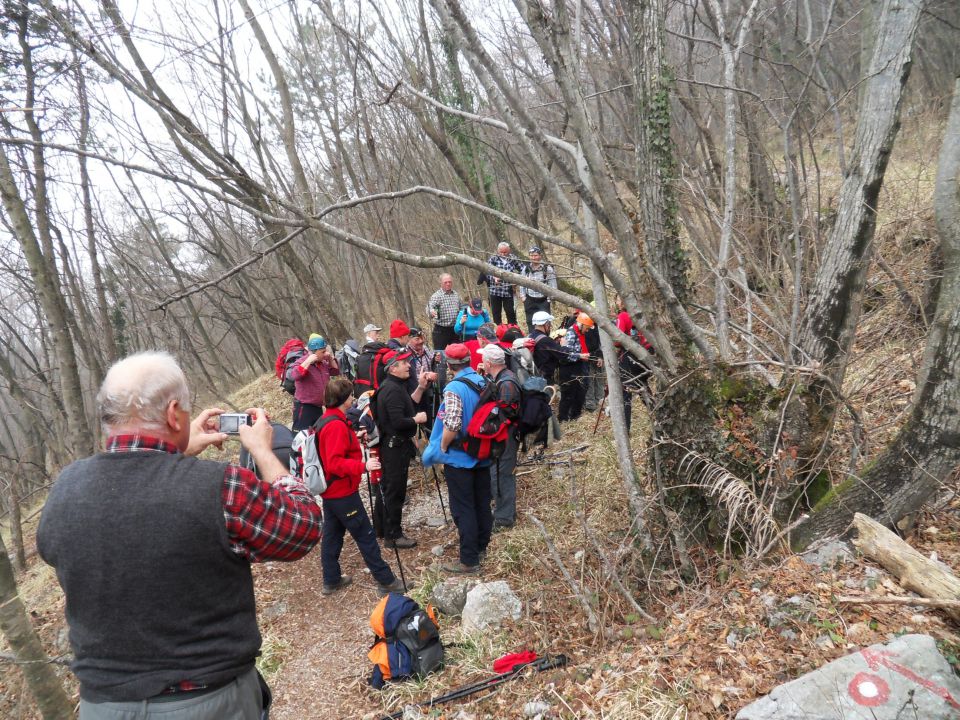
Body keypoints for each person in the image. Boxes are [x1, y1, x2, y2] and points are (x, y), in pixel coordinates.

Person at [37, 351, 322, 719]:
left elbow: (123, 512)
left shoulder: (65, 490)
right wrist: (263, 453)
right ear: (174, 414)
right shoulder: (219, 488)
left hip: (102, 705)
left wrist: (176, 452)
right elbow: (302, 527)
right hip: (207, 701)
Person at [316, 377, 405, 596]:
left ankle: (331, 579)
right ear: (343, 399)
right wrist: (363, 465)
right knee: (365, 534)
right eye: (351, 396)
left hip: (331, 491)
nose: (354, 399)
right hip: (342, 492)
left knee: (332, 534)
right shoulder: (335, 425)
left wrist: (353, 437)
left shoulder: (328, 420)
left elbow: (333, 450)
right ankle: (387, 581)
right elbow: (334, 463)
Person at [422, 343, 492, 574]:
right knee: (482, 502)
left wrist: (442, 446)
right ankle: (483, 547)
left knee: (464, 508)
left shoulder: (454, 388)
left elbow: (452, 423)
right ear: (469, 359)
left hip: (460, 457)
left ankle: (469, 560)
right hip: (482, 452)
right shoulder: (482, 381)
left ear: (449, 365)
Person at [375, 349, 430, 549]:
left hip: (395, 445)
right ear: (393, 368)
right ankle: (393, 536)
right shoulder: (391, 390)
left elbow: (406, 405)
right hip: (394, 447)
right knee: (394, 491)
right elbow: (398, 421)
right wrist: (416, 420)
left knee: (389, 487)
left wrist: (421, 388)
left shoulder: (396, 385)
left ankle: (381, 529)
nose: (409, 365)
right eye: (404, 363)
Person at [477, 344, 521, 530]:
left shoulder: (507, 383)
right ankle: (507, 511)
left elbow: (509, 413)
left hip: (506, 437)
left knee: (501, 476)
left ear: (489, 363)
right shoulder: (502, 378)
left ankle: (504, 519)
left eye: (483, 360)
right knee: (499, 474)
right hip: (504, 435)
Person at [615, 296, 656, 432]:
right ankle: (659, 416)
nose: (617, 302)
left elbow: (617, 339)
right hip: (645, 354)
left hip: (629, 357)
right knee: (643, 386)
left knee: (626, 391)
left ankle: (625, 430)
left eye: (619, 299)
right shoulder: (641, 314)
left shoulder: (623, 315)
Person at [288, 333, 340, 431]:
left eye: (326, 351)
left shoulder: (324, 363)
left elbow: (336, 371)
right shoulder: (302, 361)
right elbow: (294, 375)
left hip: (318, 407)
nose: (325, 354)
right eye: (323, 352)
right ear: (313, 353)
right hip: (304, 407)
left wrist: (330, 358)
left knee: (317, 435)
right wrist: (308, 361)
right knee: (301, 436)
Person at [528, 311, 584, 385]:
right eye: (549, 324)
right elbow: (564, 354)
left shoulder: (530, 336)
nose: (550, 327)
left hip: (533, 376)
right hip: (544, 379)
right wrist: (564, 345)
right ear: (546, 324)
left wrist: (555, 343)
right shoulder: (546, 340)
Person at [558, 313, 595, 422]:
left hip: (580, 365)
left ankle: (575, 415)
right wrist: (580, 355)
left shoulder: (581, 333)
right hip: (569, 367)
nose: (587, 331)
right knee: (568, 393)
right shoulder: (571, 333)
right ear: (581, 325)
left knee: (580, 391)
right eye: (587, 328)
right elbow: (565, 355)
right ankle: (563, 418)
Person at [479, 241, 521, 324]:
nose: (503, 254)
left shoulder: (513, 258)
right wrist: (493, 278)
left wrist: (517, 278)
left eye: (505, 252)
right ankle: (499, 331)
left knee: (511, 312)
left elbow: (522, 269)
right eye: (501, 252)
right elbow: (486, 272)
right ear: (498, 251)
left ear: (509, 251)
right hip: (495, 291)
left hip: (508, 291)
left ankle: (513, 329)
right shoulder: (493, 259)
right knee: (496, 314)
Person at [406, 326, 438, 431]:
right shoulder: (406, 354)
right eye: (417, 339)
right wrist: (426, 376)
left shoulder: (425, 348)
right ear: (409, 340)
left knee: (432, 415)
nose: (421, 341)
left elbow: (431, 358)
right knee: (422, 417)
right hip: (415, 392)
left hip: (428, 389)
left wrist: (435, 358)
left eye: (421, 338)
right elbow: (408, 376)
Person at [520, 247, 557, 326]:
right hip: (529, 299)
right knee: (531, 322)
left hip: (543, 300)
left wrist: (549, 299)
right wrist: (523, 296)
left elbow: (553, 285)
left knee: (545, 323)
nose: (533, 258)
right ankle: (532, 338)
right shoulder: (526, 268)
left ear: (540, 256)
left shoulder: (547, 269)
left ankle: (544, 338)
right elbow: (521, 283)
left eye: (535, 255)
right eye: (531, 255)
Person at [577, 313, 606, 412]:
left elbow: (601, 343)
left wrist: (600, 356)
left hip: (597, 355)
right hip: (586, 357)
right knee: (589, 381)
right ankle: (590, 405)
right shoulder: (580, 325)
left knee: (599, 379)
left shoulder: (598, 326)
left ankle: (601, 402)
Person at [426, 273, 462, 351]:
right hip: (441, 331)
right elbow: (429, 308)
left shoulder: (456, 295)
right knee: (440, 354)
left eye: (450, 282)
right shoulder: (436, 296)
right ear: (441, 283)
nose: (448, 284)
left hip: (455, 330)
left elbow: (461, 308)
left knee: (457, 352)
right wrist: (431, 312)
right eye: (445, 282)